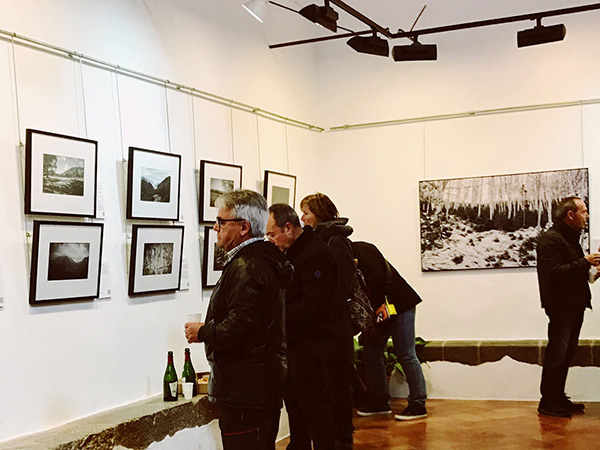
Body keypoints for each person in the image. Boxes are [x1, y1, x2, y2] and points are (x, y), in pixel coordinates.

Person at [185, 189, 289, 449]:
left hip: (247, 391)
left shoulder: (250, 266)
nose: (214, 227)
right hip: (253, 387)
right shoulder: (257, 260)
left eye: (221, 221)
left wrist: (203, 332)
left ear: (244, 227)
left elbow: (239, 328)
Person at [266, 203, 337, 450]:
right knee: (295, 407)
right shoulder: (292, 254)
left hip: (313, 348)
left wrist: (273, 314)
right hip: (294, 347)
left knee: (317, 409)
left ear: (288, 228)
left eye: (272, 234)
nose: (270, 240)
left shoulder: (315, 255)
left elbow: (314, 307)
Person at [536, 196, 600, 417]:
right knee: (557, 353)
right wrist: (586, 262)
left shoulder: (570, 238)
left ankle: (558, 398)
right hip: (560, 306)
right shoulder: (549, 240)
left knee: (567, 353)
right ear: (570, 215)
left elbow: (573, 272)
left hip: (574, 304)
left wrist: (593, 271)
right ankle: (548, 402)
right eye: (583, 211)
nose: (587, 215)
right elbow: (554, 273)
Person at [300, 193, 355, 449]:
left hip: (334, 331)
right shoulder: (319, 242)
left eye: (306, 213)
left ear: (319, 214)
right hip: (326, 331)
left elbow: (342, 287)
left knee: (338, 387)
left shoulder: (335, 242)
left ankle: (342, 440)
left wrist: (322, 316)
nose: (302, 218)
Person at [351, 241, 428, 421]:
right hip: (385, 310)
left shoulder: (362, 250)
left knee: (406, 354)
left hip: (399, 306)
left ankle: (418, 403)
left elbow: (377, 282)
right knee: (371, 352)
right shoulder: (358, 252)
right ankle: (379, 402)